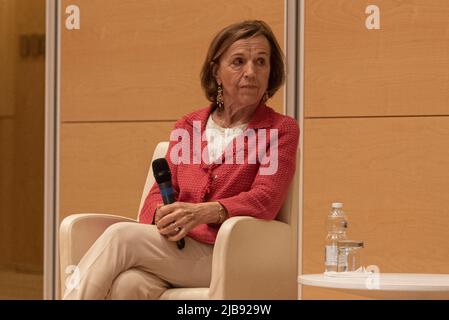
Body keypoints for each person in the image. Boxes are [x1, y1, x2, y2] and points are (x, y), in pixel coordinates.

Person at [63, 20, 299, 300]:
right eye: (238, 61)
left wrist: (205, 212)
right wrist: (161, 216)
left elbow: (265, 199)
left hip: (233, 255)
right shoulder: (189, 126)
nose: (251, 72)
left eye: (261, 62)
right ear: (216, 72)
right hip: (178, 250)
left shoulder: (279, 129)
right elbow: (154, 197)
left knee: (120, 237)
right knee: (129, 285)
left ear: (271, 72)